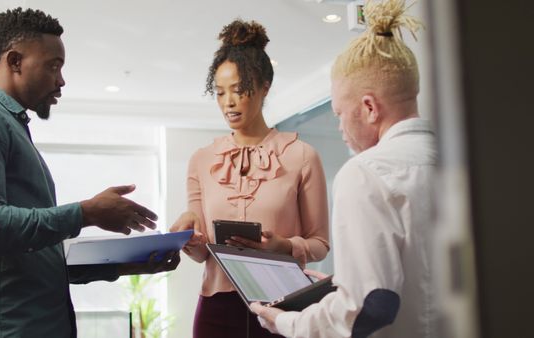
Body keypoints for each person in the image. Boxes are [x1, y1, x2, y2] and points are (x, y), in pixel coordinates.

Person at [0, 8, 179, 337]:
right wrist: (85, 213)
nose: (61, 79)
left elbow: (30, 259)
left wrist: (125, 266)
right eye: (53, 65)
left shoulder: (9, 126)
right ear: (15, 61)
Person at [250, 0, 437, 337]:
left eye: (339, 113)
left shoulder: (365, 173)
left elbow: (369, 306)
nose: (339, 126)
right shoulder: (461, 160)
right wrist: (342, 284)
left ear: (369, 107)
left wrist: (286, 322)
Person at [170, 19, 330, 338]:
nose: (228, 102)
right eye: (219, 93)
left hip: (283, 308)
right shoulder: (201, 160)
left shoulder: (302, 156)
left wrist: (283, 245)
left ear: (264, 87)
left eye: (239, 90)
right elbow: (203, 254)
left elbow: (320, 243)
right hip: (217, 310)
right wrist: (188, 240)